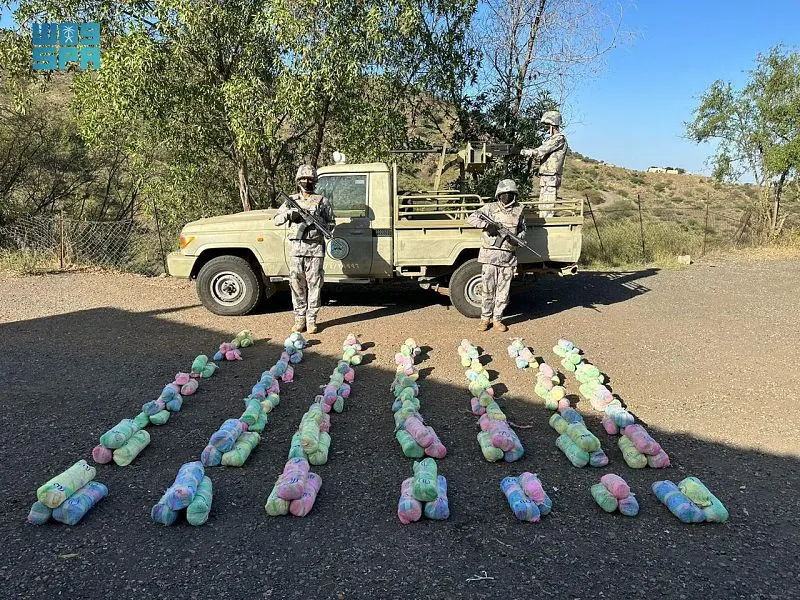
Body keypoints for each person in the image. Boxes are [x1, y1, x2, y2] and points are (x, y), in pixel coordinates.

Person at [274, 164, 336, 334]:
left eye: (310, 179)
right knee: (296, 284)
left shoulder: (322, 201)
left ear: (315, 181)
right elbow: (276, 220)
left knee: (314, 284)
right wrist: (290, 214)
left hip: (315, 249)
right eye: (303, 178)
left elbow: (331, 224)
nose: (307, 181)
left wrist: (318, 224)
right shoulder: (291, 200)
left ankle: (311, 320)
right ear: (298, 180)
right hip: (296, 250)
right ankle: (299, 319)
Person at [467, 179, 527, 332]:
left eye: (510, 194)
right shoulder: (489, 208)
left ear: (514, 194)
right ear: (498, 194)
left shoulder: (519, 210)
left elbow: (523, 230)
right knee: (487, 290)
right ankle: (485, 319)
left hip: (508, 258)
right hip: (490, 257)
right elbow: (471, 218)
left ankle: (497, 319)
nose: (506, 196)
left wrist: (516, 240)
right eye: (504, 194)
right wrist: (488, 226)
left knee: (503, 292)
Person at [521, 110, 568, 218]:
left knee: (547, 209)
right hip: (547, 177)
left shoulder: (558, 139)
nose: (547, 128)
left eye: (547, 125)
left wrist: (521, 152)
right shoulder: (554, 139)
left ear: (552, 125)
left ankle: (546, 226)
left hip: (551, 177)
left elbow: (539, 151)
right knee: (543, 206)